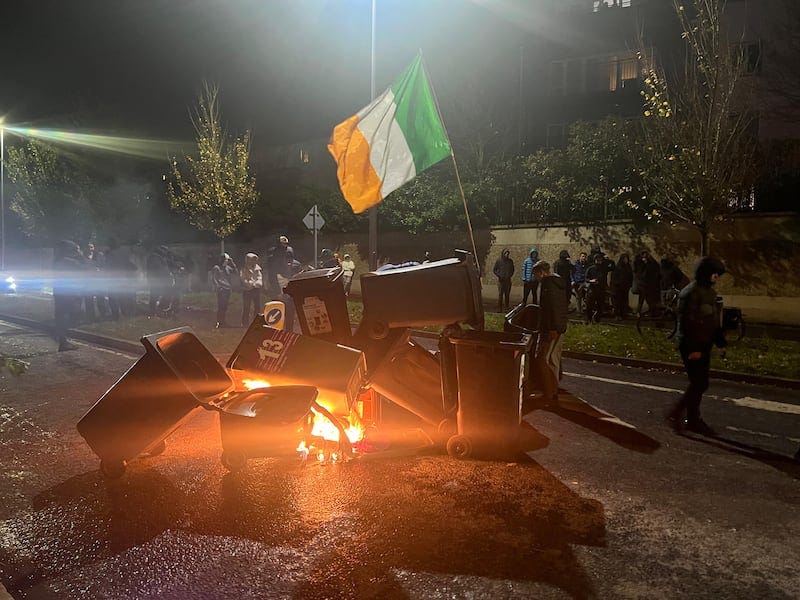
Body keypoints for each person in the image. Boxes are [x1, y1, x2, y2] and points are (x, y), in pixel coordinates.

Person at [666, 257, 728, 435]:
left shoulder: (710, 293)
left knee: (700, 383)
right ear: (706, 273)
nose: (717, 278)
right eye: (715, 274)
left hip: (704, 343)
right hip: (691, 345)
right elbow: (687, 323)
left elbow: (712, 320)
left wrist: (719, 340)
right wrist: (694, 349)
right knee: (698, 382)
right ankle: (679, 414)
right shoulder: (690, 292)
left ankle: (691, 419)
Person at [532, 260, 568, 405]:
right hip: (560, 326)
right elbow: (560, 307)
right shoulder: (558, 283)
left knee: (540, 358)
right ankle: (553, 391)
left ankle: (548, 393)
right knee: (553, 359)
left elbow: (550, 308)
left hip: (550, 328)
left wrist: (552, 328)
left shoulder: (547, 284)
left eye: (536, 275)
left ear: (541, 272)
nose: (535, 278)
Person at [52, 240, 87, 351]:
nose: (77, 251)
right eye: (75, 249)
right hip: (69, 293)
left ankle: (62, 340)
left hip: (59, 291)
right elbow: (85, 267)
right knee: (68, 315)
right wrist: (81, 254)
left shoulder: (58, 261)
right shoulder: (69, 262)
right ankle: (63, 341)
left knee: (62, 315)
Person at [211, 253, 237, 328]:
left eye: (228, 260)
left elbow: (235, 272)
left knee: (225, 306)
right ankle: (219, 321)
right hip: (222, 289)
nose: (227, 261)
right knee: (221, 306)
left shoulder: (228, 268)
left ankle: (223, 321)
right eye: (226, 260)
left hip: (227, 289)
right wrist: (218, 287)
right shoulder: (217, 268)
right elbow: (214, 278)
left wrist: (232, 263)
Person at [146, 245, 173, 316]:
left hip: (161, 280)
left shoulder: (161, 258)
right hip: (157, 280)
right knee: (155, 296)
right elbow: (159, 270)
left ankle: (158, 310)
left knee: (164, 295)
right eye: (165, 251)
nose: (166, 253)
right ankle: (153, 312)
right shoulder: (154, 258)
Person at [633, 250, 661, 316]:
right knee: (644, 299)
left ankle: (648, 311)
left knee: (646, 299)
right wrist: (644, 264)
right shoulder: (639, 263)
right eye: (644, 255)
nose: (645, 257)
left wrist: (647, 262)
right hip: (642, 284)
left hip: (647, 284)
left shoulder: (650, 262)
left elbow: (653, 268)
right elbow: (638, 271)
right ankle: (641, 311)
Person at [584, 253, 610, 322]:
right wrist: (591, 281)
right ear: (594, 260)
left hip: (601, 289)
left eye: (600, 260)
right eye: (597, 260)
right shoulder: (591, 268)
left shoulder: (604, 268)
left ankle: (597, 319)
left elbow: (612, 267)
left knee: (600, 306)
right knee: (589, 305)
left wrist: (608, 260)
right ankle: (589, 319)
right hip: (592, 289)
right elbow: (586, 278)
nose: (599, 262)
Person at [239, 252, 263, 327]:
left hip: (256, 289)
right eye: (250, 260)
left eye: (254, 260)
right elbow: (243, 279)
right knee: (246, 307)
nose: (252, 261)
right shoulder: (244, 269)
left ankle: (257, 322)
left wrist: (258, 283)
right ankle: (245, 323)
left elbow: (259, 277)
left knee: (257, 306)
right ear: (247, 260)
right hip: (247, 290)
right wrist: (250, 283)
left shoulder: (257, 269)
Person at [610, 253, 633, 320]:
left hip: (625, 288)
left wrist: (629, 284)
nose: (626, 260)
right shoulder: (617, 268)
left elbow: (630, 276)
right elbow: (614, 279)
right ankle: (617, 315)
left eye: (627, 259)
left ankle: (624, 314)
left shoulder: (628, 267)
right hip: (618, 288)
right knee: (618, 302)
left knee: (624, 302)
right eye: (624, 259)